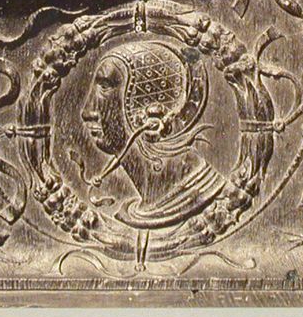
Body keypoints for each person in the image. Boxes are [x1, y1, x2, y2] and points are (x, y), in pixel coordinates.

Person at [80, 39, 227, 229]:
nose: (87, 111)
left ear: (141, 108)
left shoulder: (194, 190)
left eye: (105, 88)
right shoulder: (140, 207)